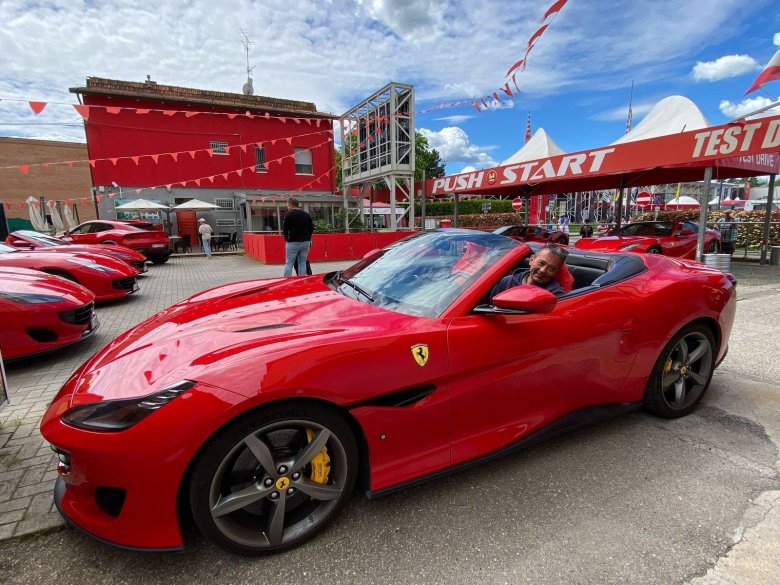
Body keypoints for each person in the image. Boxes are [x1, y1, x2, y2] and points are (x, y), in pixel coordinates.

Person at [490, 242, 568, 300]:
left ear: (556, 272)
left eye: (551, 269)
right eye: (541, 263)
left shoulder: (554, 294)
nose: (543, 270)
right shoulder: (507, 282)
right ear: (531, 260)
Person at [283, 197, 313, 277]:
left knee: (289, 263)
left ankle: (286, 281)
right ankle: (301, 280)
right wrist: (308, 238)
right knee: (302, 262)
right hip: (305, 242)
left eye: (288, 205)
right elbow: (311, 229)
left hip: (293, 242)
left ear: (291, 204)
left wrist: (287, 240)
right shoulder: (306, 215)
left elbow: (285, 230)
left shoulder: (288, 215)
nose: (287, 207)